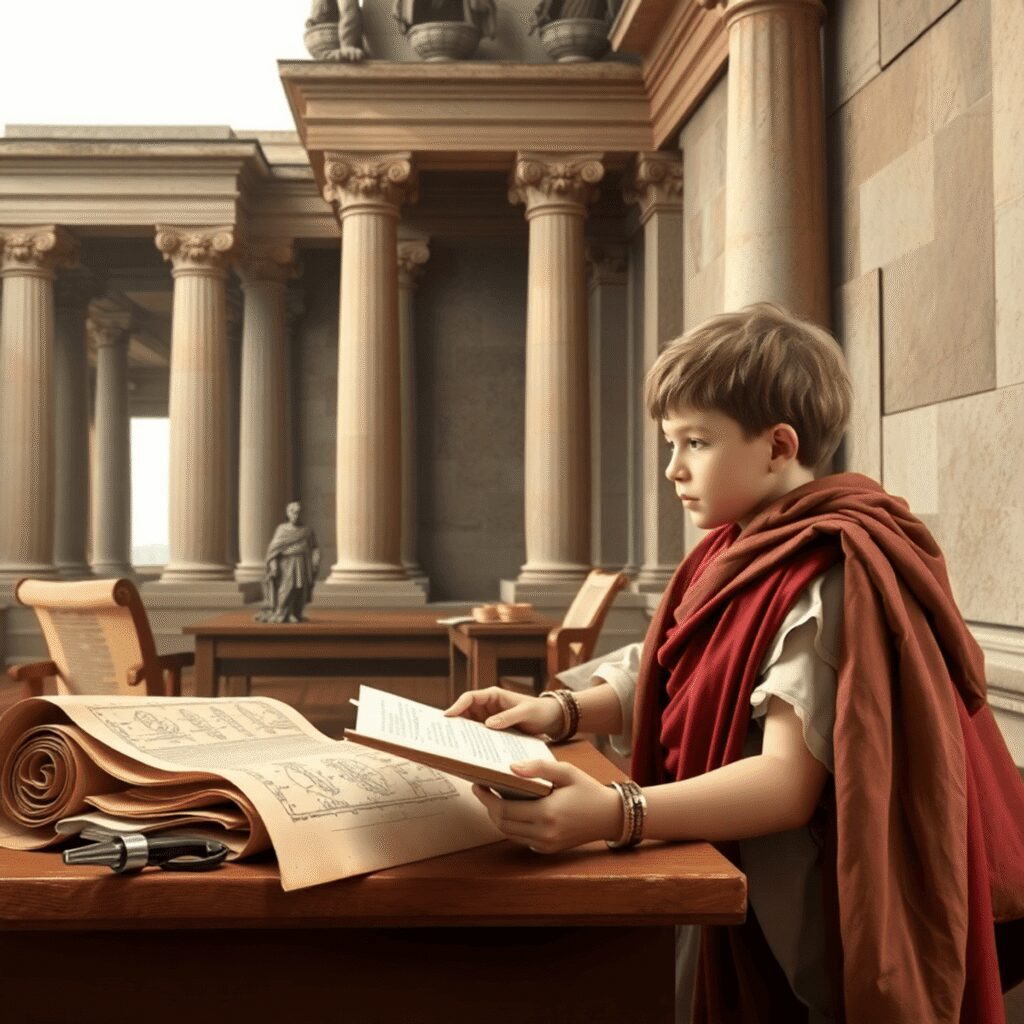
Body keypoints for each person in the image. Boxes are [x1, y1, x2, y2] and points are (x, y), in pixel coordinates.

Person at [445, 303, 1024, 1024]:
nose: (672, 468)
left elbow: (784, 782)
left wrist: (616, 813)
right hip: (726, 858)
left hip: (798, 900)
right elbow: (678, 661)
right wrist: (559, 709)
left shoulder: (828, 570)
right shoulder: (732, 544)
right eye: (670, 441)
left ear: (778, 446)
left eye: (696, 441)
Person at [256, 501, 321, 624]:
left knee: (299, 589)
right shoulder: (282, 530)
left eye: (298, 512)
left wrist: (315, 559)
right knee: (287, 588)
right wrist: (273, 564)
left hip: (302, 563)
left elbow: (314, 547)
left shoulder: (307, 530)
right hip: (286, 563)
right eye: (293, 512)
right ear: (288, 513)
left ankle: (293, 613)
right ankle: (281, 612)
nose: (295, 515)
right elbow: (273, 549)